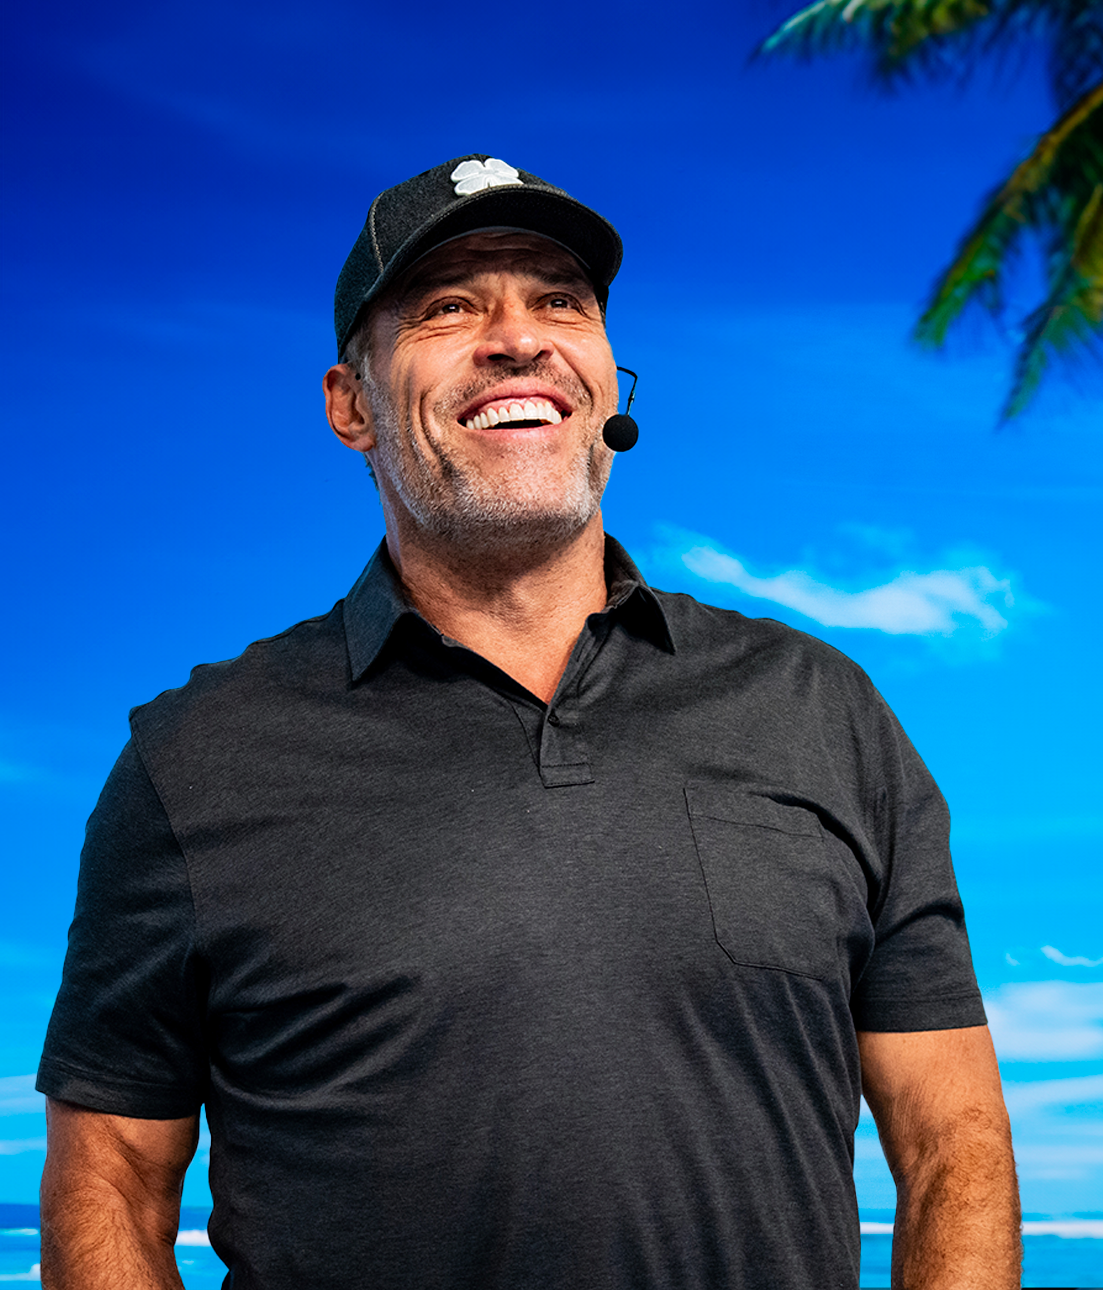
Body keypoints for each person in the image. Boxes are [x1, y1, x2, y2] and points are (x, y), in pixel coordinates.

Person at [36, 155, 1020, 1289]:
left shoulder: (819, 709)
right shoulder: (193, 760)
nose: (519, 338)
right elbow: (110, 1173)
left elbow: (953, 1142)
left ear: (608, 382)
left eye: (562, 302)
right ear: (350, 406)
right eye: (448, 306)